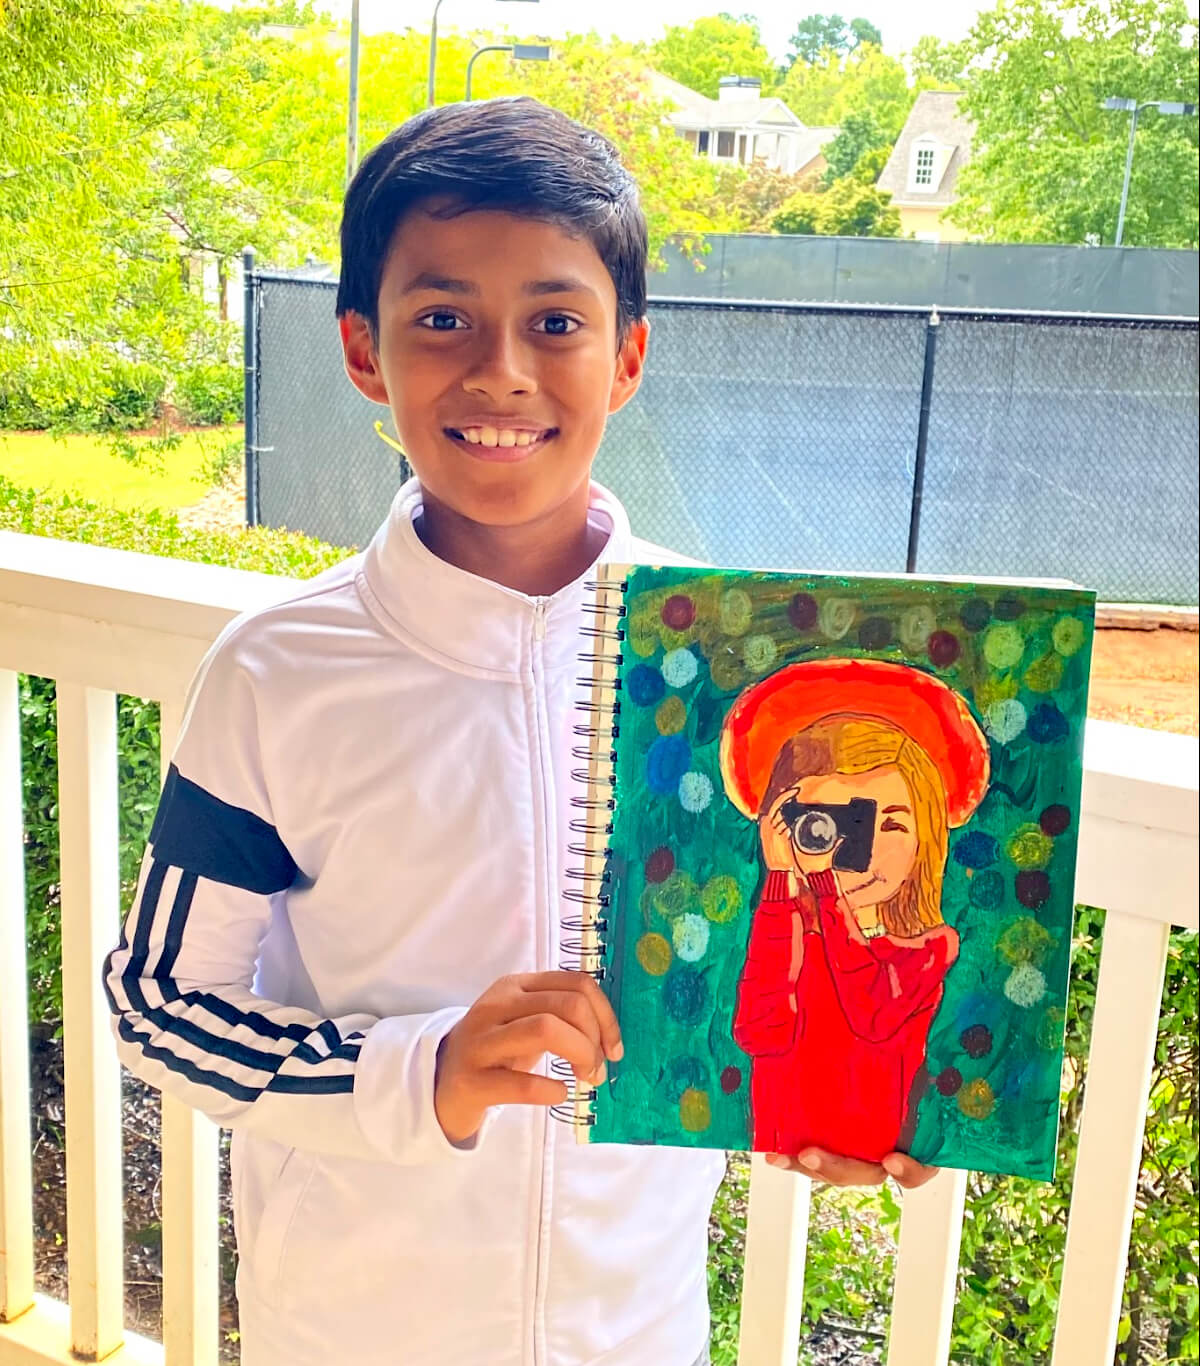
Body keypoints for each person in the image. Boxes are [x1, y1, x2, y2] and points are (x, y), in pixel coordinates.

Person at [103, 98, 936, 1366]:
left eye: (557, 321)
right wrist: (417, 1072)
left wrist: (841, 1097)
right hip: (346, 1325)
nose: (500, 370)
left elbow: (743, 994)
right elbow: (162, 1002)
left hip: (633, 1329)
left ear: (630, 356)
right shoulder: (277, 673)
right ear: (363, 351)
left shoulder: (722, 667)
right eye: (442, 318)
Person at [719, 659, 990, 1161]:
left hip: (869, 1142)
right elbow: (760, 1028)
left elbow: (869, 1007)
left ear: (925, 840)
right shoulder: (788, 930)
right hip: (781, 1138)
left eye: (889, 826)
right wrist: (781, 882)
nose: (857, 852)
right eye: (829, 824)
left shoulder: (928, 950)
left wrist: (823, 890)